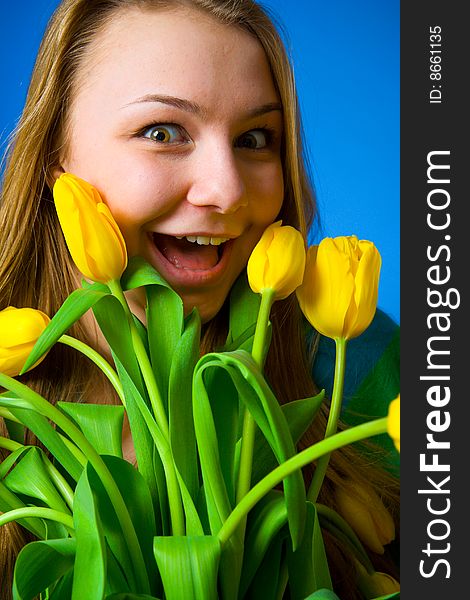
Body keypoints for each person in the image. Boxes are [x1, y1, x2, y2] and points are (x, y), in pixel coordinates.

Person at [0, 1, 400, 598]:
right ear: (56, 160)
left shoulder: (364, 367)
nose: (229, 189)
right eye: (162, 132)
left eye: (255, 138)